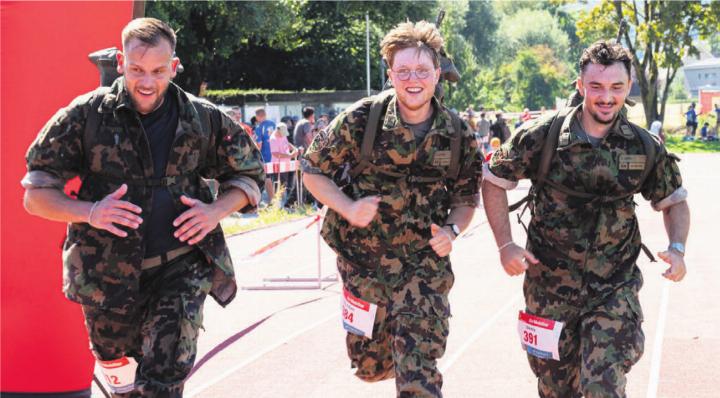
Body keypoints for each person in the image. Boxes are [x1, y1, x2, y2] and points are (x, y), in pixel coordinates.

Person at [21, 18, 264, 397]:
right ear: (120, 62)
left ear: (175, 66)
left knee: (163, 383)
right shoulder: (85, 116)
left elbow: (249, 178)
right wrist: (90, 211)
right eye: (136, 70)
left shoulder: (202, 117)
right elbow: (35, 196)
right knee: (122, 381)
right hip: (105, 279)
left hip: (181, 269)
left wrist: (215, 211)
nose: (147, 82)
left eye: (158, 71)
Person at [481, 40, 689, 398]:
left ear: (628, 88)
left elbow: (674, 202)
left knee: (602, 386)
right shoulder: (541, 136)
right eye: (596, 87)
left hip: (614, 288)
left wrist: (677, 247)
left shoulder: (642, 146)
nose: (606, 97)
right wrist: (505, 245)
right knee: (555, 389)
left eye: (616, 88)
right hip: (549, 290)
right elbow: (493, 180)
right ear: (580, 86)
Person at [302, 20, 480, 397]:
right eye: (403, 71)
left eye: (421, 71)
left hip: (424, 267)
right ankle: (382, 356)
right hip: (364, 264)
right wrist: (348, 207)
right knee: (370, 367)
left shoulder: (458, 133)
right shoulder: (361, 119)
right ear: (390, 75)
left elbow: (466, 198)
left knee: (418, 369)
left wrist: (452, 231)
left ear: (437, 74)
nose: (412, 79)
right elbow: (312, 170)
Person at [269, 122, 299, 202]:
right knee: (279, 185)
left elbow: (286, 143)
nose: (283, 135)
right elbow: (275, 153)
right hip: (278, 165)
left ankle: (284, 202)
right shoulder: (273, 139)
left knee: (286, 184)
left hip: (285, 164)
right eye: (282, 133)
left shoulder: (283, 135)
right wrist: (290, 156)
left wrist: (294, 148)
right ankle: (278, 203)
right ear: (278, 130)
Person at [254, 107, 276, 203]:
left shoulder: (259, 127)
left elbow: (259, 144)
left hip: (265, 156)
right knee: (275, 178)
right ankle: (276, 199)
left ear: (257, 117)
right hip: (275, 155)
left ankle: (272, 200)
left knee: (267, 178)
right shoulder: (273, 124)